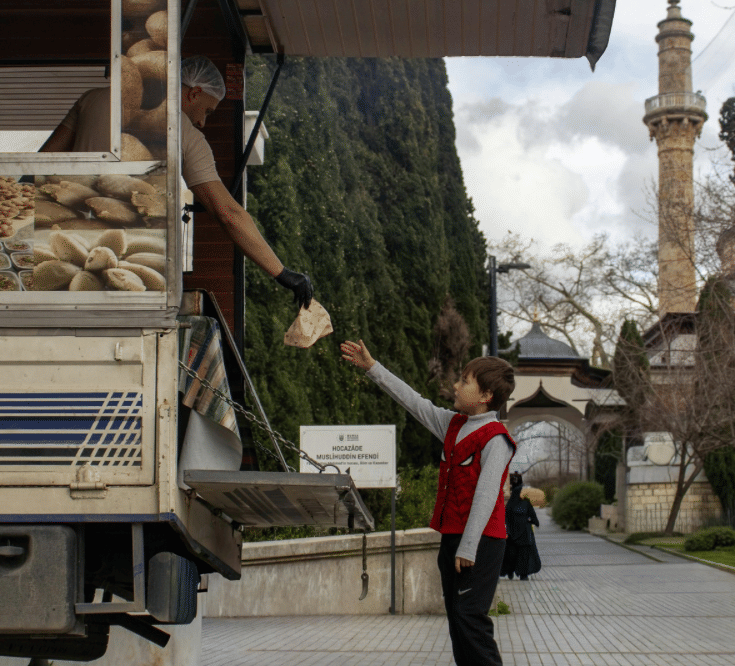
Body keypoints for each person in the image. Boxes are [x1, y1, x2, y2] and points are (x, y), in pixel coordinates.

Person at [40, 56, 312, 309]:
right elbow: (228, 213)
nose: (202, 121)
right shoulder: (185, 133)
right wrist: (282, 273)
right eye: (206, 110)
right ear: (193, 92)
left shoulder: (95, 98)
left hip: (65, 242)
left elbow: (44, 161)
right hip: (123, 256)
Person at [340, 339, 516, 666]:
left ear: (485, 396)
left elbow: (486, 496)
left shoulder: (496, 439)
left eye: (465, 381)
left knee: (470, 617)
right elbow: (413, 402)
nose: (456, 385)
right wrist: (372, 367)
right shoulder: (453, 424)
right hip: (452, 538)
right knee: (456, 619)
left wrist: (467, 547)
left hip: (480, 543)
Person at [500, 471, 541, 581]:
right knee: (524, 555)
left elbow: (505, 518)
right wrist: (529, 521)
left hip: (511, 534)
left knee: (510, 554)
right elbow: (535, 520)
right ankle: (524, 574)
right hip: (524, 534)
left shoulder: (508, 504)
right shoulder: (526, 503)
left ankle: (509, 571)